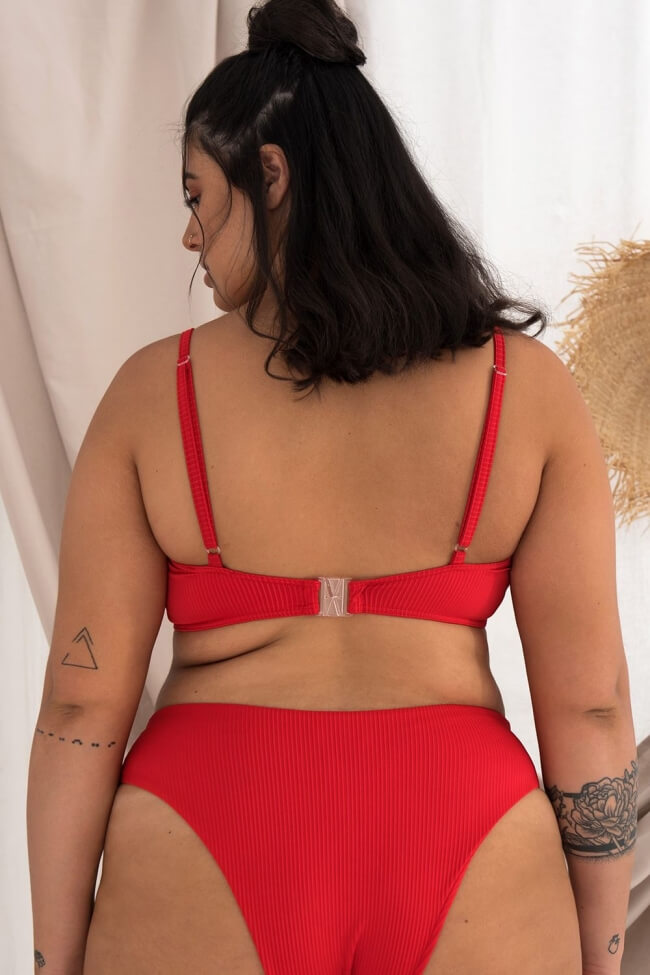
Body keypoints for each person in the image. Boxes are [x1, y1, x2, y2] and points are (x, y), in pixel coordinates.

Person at [27, 1, 637, 973]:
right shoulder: (524, 392)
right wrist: (600, 955)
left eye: (196, 196)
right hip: (465, 836)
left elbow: (78, 708)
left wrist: (52, 961)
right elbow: (592, 709)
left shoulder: (152, 394)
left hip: (205, 827)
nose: (188, 236)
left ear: (269, 177)